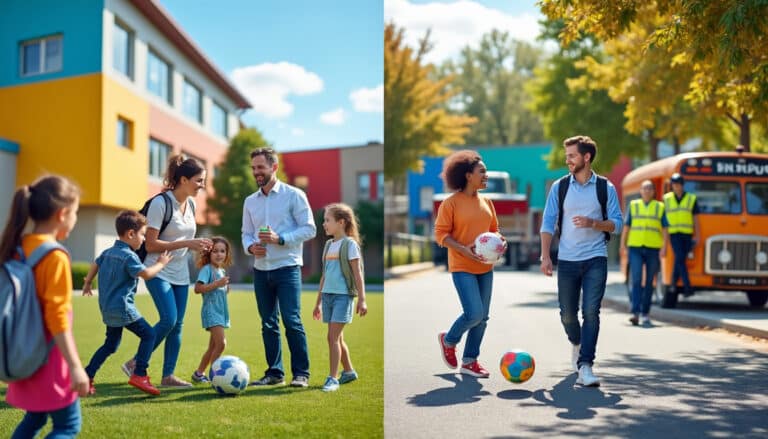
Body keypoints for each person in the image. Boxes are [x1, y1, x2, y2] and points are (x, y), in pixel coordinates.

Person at [0, 176, 89, 438]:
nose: (75, 219)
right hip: (48, 358)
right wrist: (75, 366)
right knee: (67, 426)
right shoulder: (55, 256)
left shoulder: (16, 247)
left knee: (35, 417)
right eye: (75, 212)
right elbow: (57, 315)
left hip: (22, 350)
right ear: (62, 214)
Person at [121, 155, 213, 387]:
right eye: (199, 180)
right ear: (183, 180)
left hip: (181, 272)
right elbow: (151, 244)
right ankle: (137, 363)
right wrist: (187, 243)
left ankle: (168, 376)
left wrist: (199, 247)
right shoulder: (161, 203)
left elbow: (184, 239)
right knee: (169, 319)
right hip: (157, 268)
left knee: (177, 325)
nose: (202, 185)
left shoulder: (191, 204)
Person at [539, 135, 623, 387]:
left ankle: (586, 364)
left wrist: (594, 223)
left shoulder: (605, 188)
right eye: (567, 156)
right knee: (567, 315)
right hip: (567, 260)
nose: (568, 160)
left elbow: (617, 224)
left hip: (596, 258)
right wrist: (545, 256)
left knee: (591, 312)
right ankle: (577, 342)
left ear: (586, 157)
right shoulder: (560, 187)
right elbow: (548, 222)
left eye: (572, 156)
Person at [242, 147, 316, 387]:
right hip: (260, 269)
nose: (256, 172)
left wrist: (280, 239)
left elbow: (310, 229)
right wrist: (251, 247)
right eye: (253, 168)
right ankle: (275, 373)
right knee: (268, 323)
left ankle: (301, 373)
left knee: (292, 321)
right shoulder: (250, 201)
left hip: (287, 268)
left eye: (261, 167)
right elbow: (246, 233)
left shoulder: (294, 195)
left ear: (274, 167)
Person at [82, 210, 173, 396]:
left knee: (110, 345)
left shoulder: (107, 252)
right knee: (149, 335)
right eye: (142, 235)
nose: (143, 239)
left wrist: (88, 282)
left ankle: (86, 376)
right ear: (131, 234)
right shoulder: (129, 256)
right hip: (123, 308)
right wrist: (161, 264)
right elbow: (146, 274)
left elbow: (96, 263)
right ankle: (139, 374)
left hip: (107, 308)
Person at [434, 150, 506, 379]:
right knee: (474, 313)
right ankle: (449, 340)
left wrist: (500, 241)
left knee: (483, 318)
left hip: (485, 267)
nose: (486, 175)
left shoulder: (487, 202)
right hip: (462, 266)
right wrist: (463, 249)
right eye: (481, 172)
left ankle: (469, 361)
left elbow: (494, 230)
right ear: (467, 176)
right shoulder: (450, 203)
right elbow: (441, 235)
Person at [312, 203, 368, 392]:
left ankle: (332, 378)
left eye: (327, 220)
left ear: (341, 222)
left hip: (343, 297)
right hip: (328, 296)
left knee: (332, 337)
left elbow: (358, 274)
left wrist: (362, 299)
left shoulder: (349, 245)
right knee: (337, 338)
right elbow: (324, 276)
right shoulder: (328, 245)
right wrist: (318, 303)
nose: (324, 224)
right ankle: (349, 371)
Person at [620, 180, 669, 326]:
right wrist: (622, 245)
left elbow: (665, 229)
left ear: (653, 192)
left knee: (649, 281)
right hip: (635, 247)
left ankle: (645, 313)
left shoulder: (660, 207)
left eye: (649, 189)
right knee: (636, 279)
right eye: (644, 188)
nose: (647, 191)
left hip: (653, 248)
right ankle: (635, 312)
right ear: (640, 191)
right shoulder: (634, 205)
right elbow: (627, 226)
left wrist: (664, 247)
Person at [191, 236, 233, 383]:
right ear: (209, 253)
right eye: (215, 251)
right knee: (221, 344)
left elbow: (220, 289)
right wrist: (217, 284)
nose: (219, 254)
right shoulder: (207, 269)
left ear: (226, 254)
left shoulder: (221, 270)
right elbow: (198, 289)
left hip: (221, 313)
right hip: (211, 312)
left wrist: (225, 287)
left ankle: (198, 374)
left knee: (213, 347)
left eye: (222, 251)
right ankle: (214, 375)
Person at [663, 173, 700, 298]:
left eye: (678, 184)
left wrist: (697, 235)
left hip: (687, 234)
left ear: (682, 185)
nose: (676, 187)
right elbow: (663, 219)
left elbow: (696, 219)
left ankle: (673, 284)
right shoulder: (666, 199)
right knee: (680, 258)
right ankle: (687, 287)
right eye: (674, 184)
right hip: (674, 234)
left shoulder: (691, 198)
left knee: (680, 260)